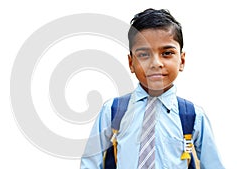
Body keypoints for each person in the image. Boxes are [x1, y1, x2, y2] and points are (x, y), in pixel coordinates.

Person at [80, 8, 225, 168]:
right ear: (131, 63)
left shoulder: (193, 116)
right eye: (143, 55)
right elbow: (90, 163)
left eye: (167, 53)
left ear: (182, 61)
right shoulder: (113, 111)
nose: (156, 63)